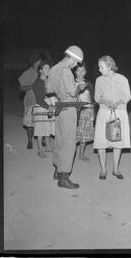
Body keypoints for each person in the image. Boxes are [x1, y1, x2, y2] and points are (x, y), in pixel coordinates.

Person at [47, 45, 86, 189]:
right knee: (69, 143)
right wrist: (80, 87)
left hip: (59, 107)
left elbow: (49, 89)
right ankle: (63, 177)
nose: (76, 65)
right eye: (75, 61)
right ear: (70, 58)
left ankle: (57, 171)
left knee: (60, 140)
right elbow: (72, 92)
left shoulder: (53, 69)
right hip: (69, 109)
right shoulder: (66, 71)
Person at [93, 55, 131, 180]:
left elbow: (128, 96)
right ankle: (103, 170)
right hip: (104, 113)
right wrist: (105, 102)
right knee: (101, 142)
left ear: (109, 66)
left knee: (117, 142)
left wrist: (118, 102)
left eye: (101, 66)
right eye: (99, 67)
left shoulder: (122, 79)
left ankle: (115, 169)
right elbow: (97, 97)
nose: (99, 69)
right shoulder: (99, 80)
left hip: (119, 113)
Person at [32, 61, 55, 158]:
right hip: (41, 107)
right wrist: (48, 106)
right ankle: (40, 150)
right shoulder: (38, 82)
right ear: (40, 70)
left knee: (47, 127)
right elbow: (39, 99)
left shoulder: (47, 80)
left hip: (47, 106)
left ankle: (48, 146)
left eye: (49, 68)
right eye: (45, 68)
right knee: (40, 130)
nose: (48, 70)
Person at [18, 53, 42, 149]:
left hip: (41, 101)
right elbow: (20, 88)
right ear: (35, 62)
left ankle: (43, 139)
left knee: (42, 121)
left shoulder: (42, 72)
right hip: (31, 101)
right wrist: (32, 86)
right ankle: (30, 141)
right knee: (30, 123)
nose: (41, 62)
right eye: (40, 61)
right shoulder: (28, 73)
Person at [75, 64, 95, 162]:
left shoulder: (88, 84)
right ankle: (71, 154)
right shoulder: (70, 83)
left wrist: (92, 113)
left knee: (84, 134)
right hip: (74, 112)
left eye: (83, 71)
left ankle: (81, 154)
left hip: (87, 111)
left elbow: (92, 100)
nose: (80, 73)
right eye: (78, 70)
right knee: (74, 133)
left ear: (86, 72)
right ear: (75, 72)